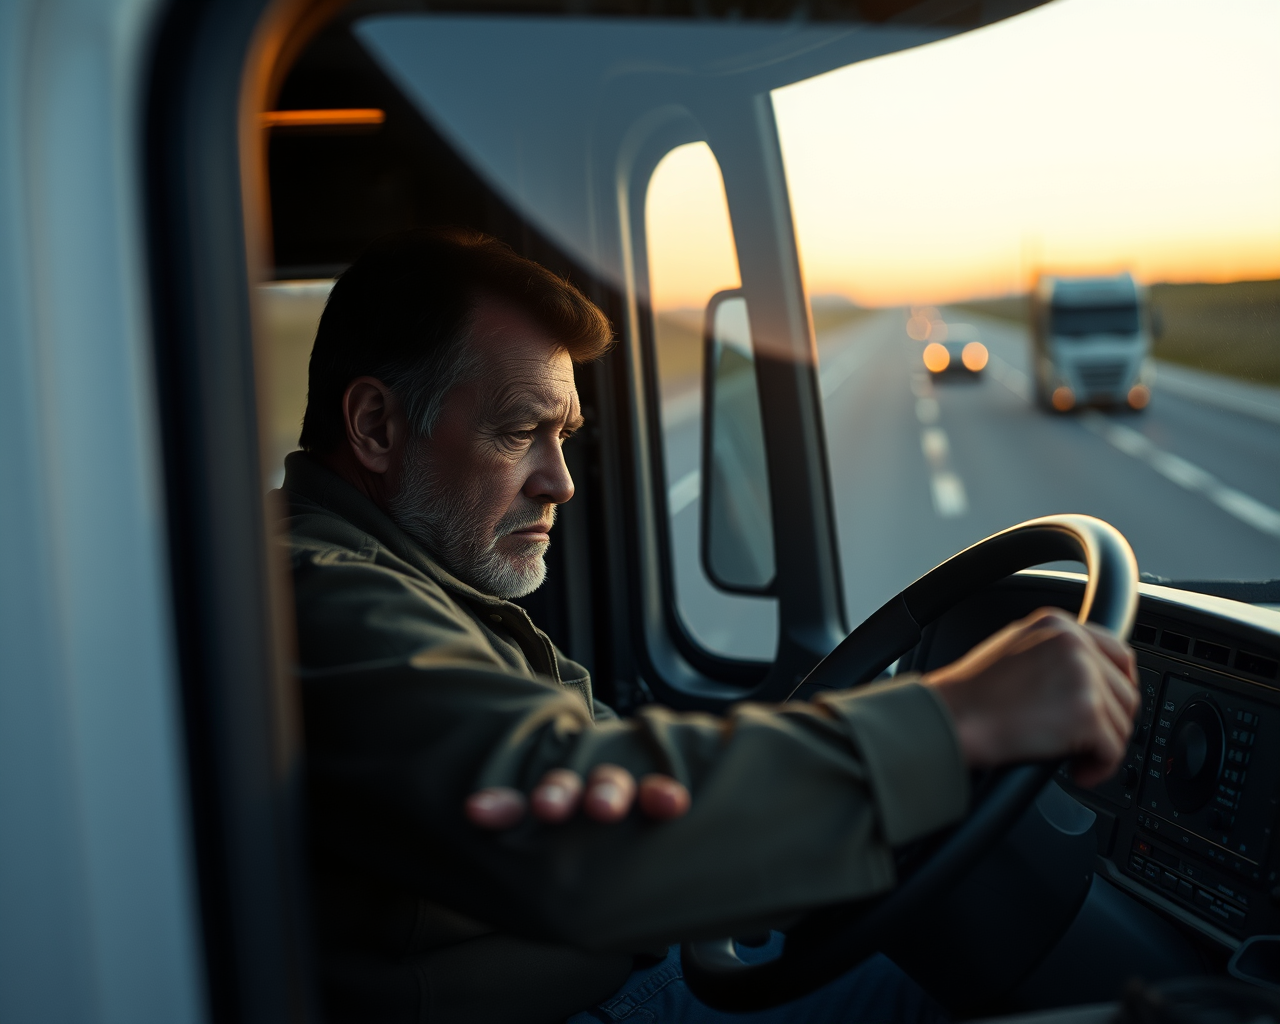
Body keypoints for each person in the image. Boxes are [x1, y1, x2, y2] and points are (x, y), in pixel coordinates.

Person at [280, 229, 1138, 1024]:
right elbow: (559, 817)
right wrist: (956, 722)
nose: (561, 482)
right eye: (520, 433)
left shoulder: (415, 581)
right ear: (377, 426)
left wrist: (777, 811)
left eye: (565, 436)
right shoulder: (318, 594)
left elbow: (601, 773)